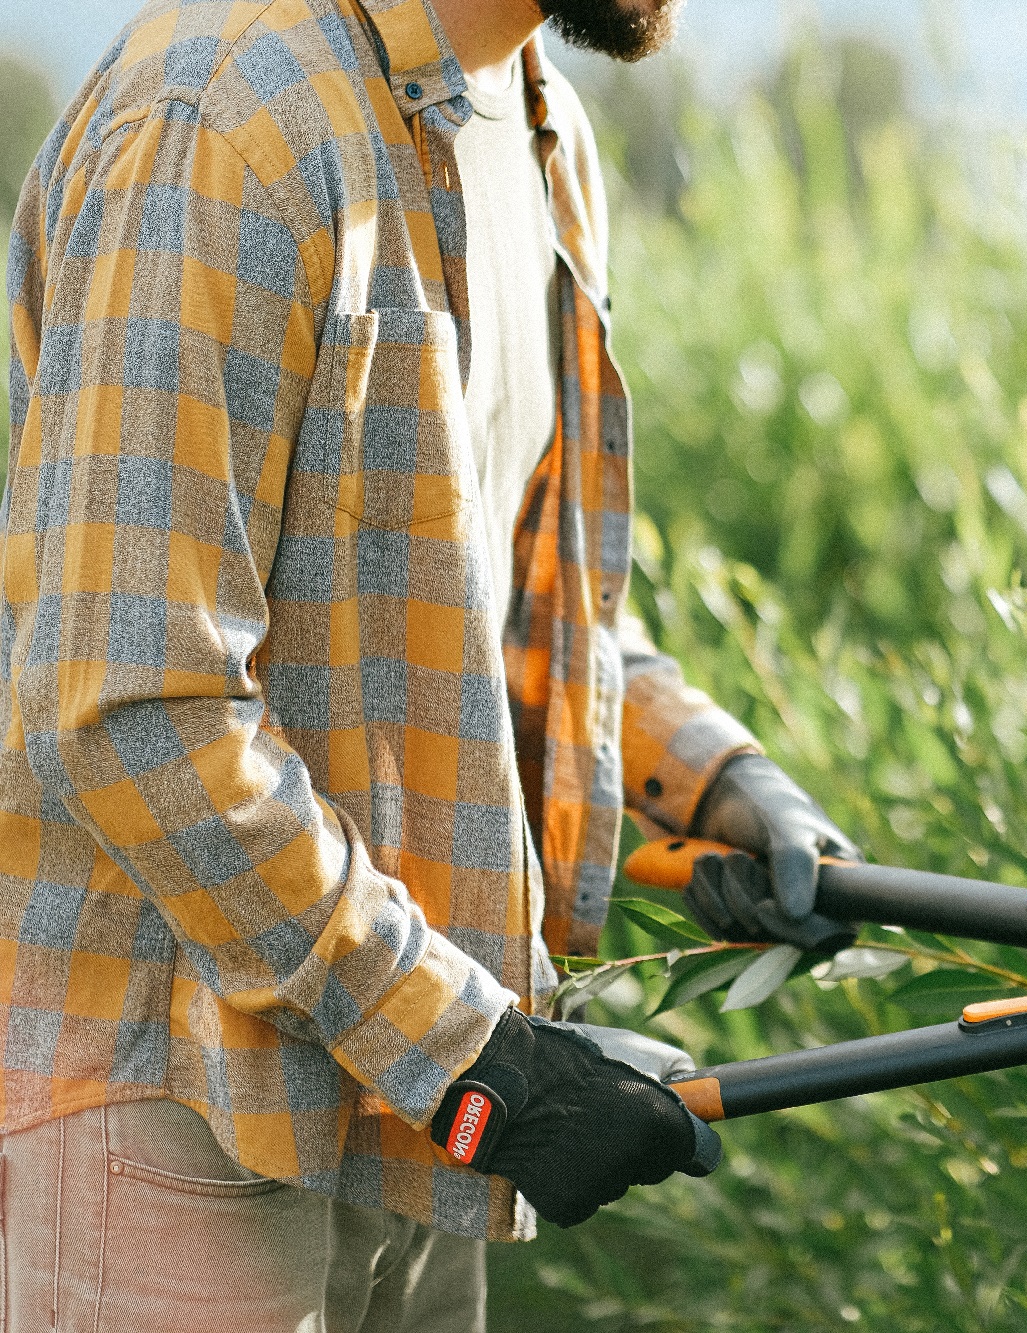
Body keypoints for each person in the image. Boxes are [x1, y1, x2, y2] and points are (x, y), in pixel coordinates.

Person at [0, 0, 859, 1325]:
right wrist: (476, 1056)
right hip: (176, 1120)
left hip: (407, 1120)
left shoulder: (538, 126)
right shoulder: (225, 120)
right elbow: (132, 702)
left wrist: (712, 777)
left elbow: (491, 603)